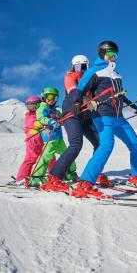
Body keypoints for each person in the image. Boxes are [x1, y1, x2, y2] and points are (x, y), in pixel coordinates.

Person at [70, 40, 137, 199]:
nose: (114, 57)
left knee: (135, 144)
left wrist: (135, 108)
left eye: (115, 55)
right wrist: (77, 102)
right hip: (102, 114)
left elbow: (121, 95)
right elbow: (80, 89)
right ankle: (85, 183)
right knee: (106, 145)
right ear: (102, 54)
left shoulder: (116, 74)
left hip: (119, 117)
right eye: (110, 54)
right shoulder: (94, 71)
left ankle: (136, 176)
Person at [41, 55, 101, 193]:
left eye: (84, 67)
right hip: (72, 111)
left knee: (100, 144)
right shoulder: (70, 76)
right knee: (76, 145)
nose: (81, 70)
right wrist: (77, 102)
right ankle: (54, 178)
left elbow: (95, 94)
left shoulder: (90, 78)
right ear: (74, 67)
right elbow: (73, 91)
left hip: (86, 114)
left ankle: (92, 174)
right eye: (78, 67)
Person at [28, 87, 78, 188]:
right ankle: (36, 177)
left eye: (55, 98)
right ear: (44, 97)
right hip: (49, 138)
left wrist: (69, 117)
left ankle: (70, 173)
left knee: (68, 155)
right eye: (50, 96)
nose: (52, 99)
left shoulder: (54, 110)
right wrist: (50, 121)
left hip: (59, 138)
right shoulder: (42, 108)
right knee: (46, 157)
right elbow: (41, 118)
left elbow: (62, 119)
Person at [12, 96, 55, 186]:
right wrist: (43, 123)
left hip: (43, 139)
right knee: (31, 158)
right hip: (33, 140)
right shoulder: (30, 116)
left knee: (50, 158)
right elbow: (34, 123)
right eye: (28, 106)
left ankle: (53, 177)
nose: (31, 109)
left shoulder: (41, 112)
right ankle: (22, 178)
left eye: (32, 106)